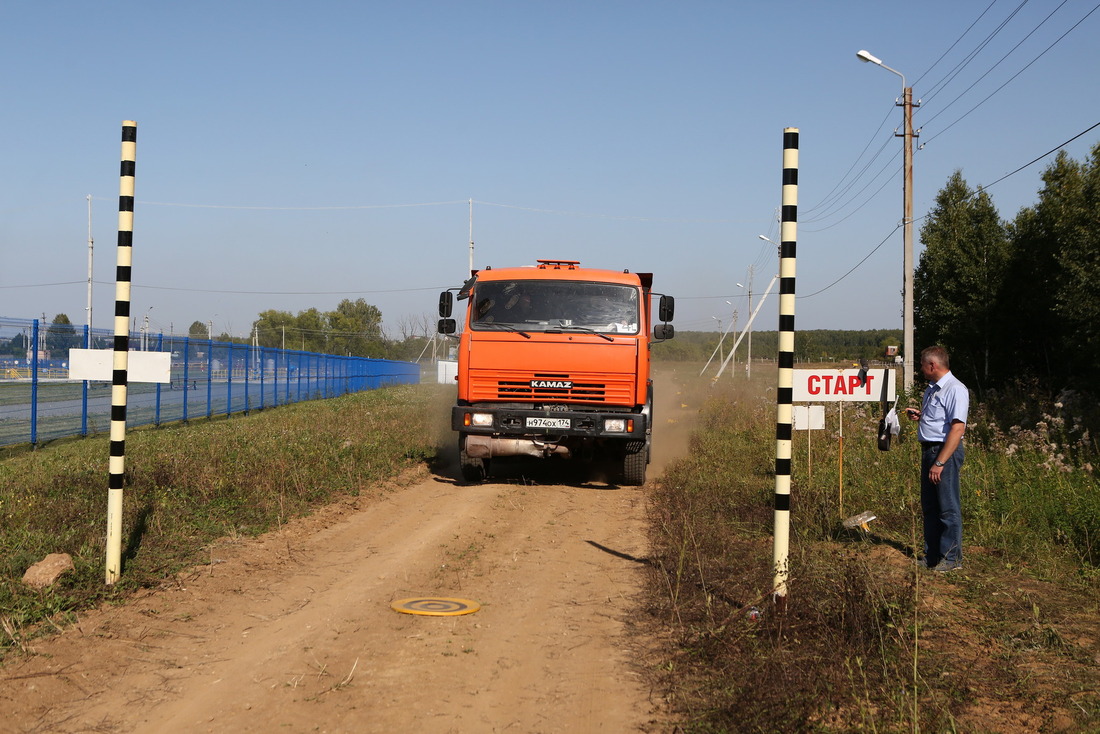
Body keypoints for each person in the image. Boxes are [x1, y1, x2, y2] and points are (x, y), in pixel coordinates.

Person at [905, 346, 968, 572]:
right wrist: (921, 417)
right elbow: (942, 420)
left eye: (922, 365)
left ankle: (951, 560)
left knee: (947, 507)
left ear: (932, 365)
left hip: (944, 452)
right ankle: (932, 556)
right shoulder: (932, 389)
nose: (921, 369)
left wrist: (940, 462)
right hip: (929, 449)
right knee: (930, 506)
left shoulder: (955, 389)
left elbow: (957, 428)